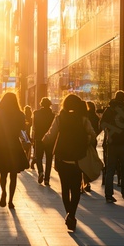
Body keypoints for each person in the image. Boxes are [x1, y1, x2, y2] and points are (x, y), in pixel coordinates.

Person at [43, 94, 96, 231]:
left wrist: (42, 141)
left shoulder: (59, 118)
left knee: (65, 189)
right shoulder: (83, 120)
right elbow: (93, 135)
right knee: (76, 189)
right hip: (78, 160)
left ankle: (69, 215)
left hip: (62, 159)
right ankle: (71, 214)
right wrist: (86, 140)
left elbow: (50, 135)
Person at [0, 92, 29, 209]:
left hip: (1, 147)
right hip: (15, 147)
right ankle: (11, 200)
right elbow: (22, 131)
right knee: (14, 175)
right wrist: (26, 142)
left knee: (3, 174)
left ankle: (3, 192)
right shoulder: (20, 114)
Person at [100, 90, 124, 203]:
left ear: (115, 97)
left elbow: (101, 124)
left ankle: (108, 195)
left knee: (110, 170)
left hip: (112, 144)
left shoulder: (109, 110)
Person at [32, 97, 55, 186]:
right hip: (49, 139)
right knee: (49, 159)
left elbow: (34, 127)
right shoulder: (53, 115)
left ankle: (41, 172)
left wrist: (33, 138)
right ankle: (47, 179)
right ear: (49, 105)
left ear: (41, 104)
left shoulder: (36, 113)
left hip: (39, 138)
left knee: (38, 157)